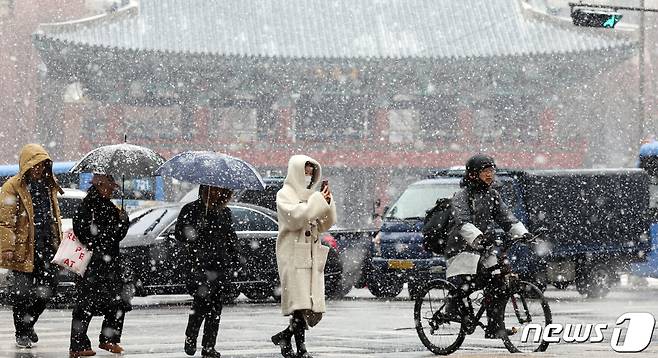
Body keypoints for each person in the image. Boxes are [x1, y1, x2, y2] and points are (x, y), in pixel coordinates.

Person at [445, 154, 533, 339]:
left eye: (491, 171)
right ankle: (451, 307)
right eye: (485, 171)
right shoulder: (462, 196)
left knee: (500, 282)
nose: (489, 175)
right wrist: (478, 238)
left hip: (483, 249)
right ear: (472, 174)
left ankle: (494, 327)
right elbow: (462, 223)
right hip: (462, 249)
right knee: (477, 280)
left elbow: (506, 218)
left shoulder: (492, 194)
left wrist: (522, 233)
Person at [271, 155, 336, 358]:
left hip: (310, 255)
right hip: (292, 255)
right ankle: (301, 349)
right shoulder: (285, 194)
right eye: (305, 171)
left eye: (311, 172)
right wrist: (318, 201)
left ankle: (286, 336)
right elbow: (296, 218)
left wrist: (327, 202)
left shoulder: (311, 195)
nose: (309, 176)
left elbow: (325, 223)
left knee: (307, 304)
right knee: (299, 304)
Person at [0, 144, 64, 348]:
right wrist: (7, 247)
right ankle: (22, 333)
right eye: (35, 165)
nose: (39, 168)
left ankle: (28, 324)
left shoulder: (49, 184)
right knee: (21, 293)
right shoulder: (13, 186)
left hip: (47, 247)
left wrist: (59, 242)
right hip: (22, 248)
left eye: (43, 164)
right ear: (27, 165)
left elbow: (56, 217)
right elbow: (5, 221)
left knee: (50, 288)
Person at [69, 173, 131, 358]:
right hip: (93, 263)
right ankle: (78, 346)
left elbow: (117, 235)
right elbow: (85, 232)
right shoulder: (88, 206)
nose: (112, 190)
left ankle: (109, 339)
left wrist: (123, 220)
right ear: (99, 184)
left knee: (118, 302)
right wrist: (107, 234)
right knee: (86, 304)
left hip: (110, 262)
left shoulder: (110, 207)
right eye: (109, 186)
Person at [175, 185, 241, 358]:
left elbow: (230, 237)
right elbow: (179, 235)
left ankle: (209, 346)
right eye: (210, 189)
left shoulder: (224, 212)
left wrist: (235, 258)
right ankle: (191, 336)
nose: (214, 193)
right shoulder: (191, 209)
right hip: (199, 266)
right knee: (200, 304)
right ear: (203, 190)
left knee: (215, 309)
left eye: (218, 190)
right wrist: (195, 228)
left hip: (220, 266)